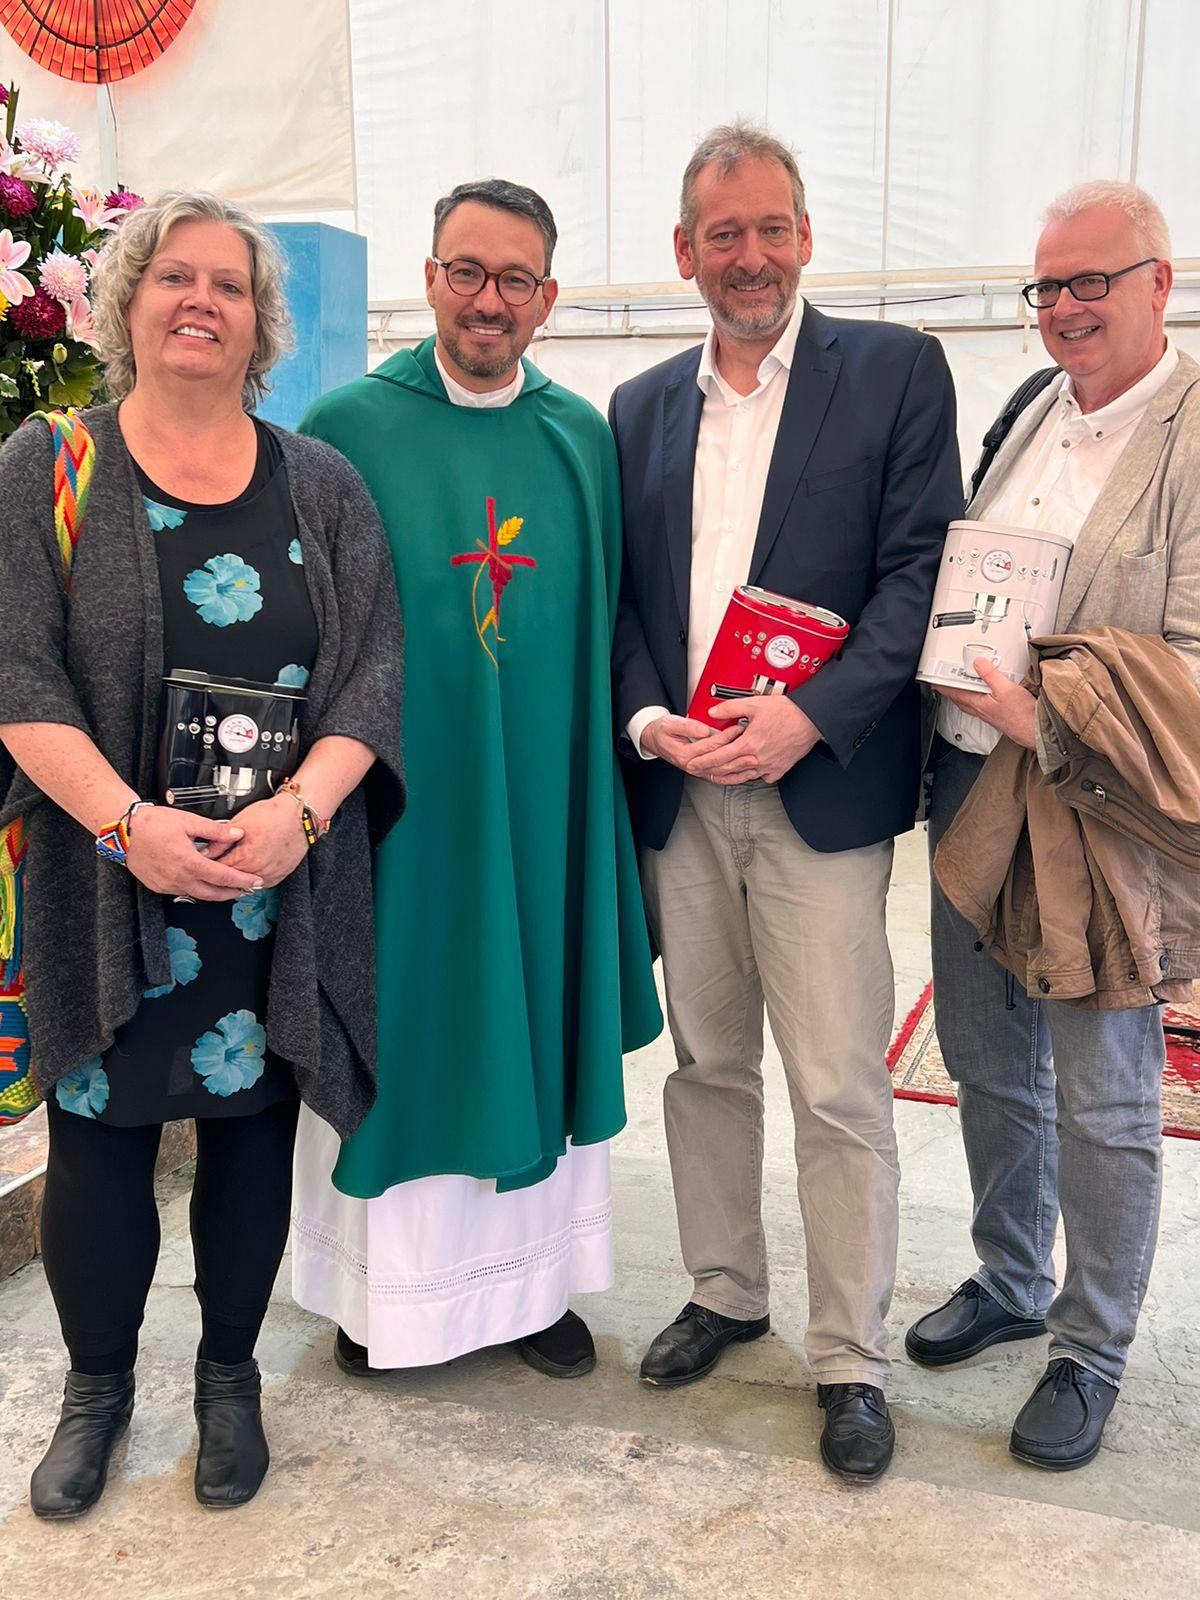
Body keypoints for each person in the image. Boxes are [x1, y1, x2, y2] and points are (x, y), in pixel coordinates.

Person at [0, 191, 404, 1518]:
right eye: (174, 277)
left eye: (228, 285)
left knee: (249, 1130)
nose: (200, 302)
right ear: (126, 305)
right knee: (100, 1136)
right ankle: (98, 1391)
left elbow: (371, 682)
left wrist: (297, 820)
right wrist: (129, 827)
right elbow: (18, 679)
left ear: (261, 322)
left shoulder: (321, 485)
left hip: (271, 892)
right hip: (108, 874)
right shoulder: (48, 466)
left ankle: (230, 1381)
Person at [610, 122, 961, 1481]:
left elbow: (919, 575)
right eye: (722, 234)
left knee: (836, 1085)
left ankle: (849, 1359)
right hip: (684, 792)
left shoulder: (894, 372)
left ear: (806, 237)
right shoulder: (639, 407)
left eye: (771, 229)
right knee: (704, 1066)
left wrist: (808, 715)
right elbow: (624, 601)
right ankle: (723, 1289)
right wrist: (651, 719)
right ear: (683, 252)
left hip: (822, 791)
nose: (748, 257)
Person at [290, 179, 661, 1378]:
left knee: (532, 1020)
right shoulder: (347, 425)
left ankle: (530, 1289)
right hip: (400, 810)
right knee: (408, 1015)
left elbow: (609, 625)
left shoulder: (580, 436)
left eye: (513, 279)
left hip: (542, 801)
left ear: (548, 297)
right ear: (431, 275)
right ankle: (386, 1299)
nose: (486, 300)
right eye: (465, 271)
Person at [907, 181, 1200, 1470]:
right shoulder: (1033, 409)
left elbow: (1191, 662)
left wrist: (1044, 712)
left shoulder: (1190, 437)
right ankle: (1012, 1277)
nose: (1068, 308)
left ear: (1160, 279)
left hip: (1095, 806)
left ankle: (1091, 1346)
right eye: (1049, 287)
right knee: (985, 1055)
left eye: (1094, 280)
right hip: (970, 782)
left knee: (1104, 1092)